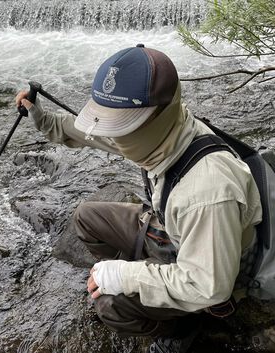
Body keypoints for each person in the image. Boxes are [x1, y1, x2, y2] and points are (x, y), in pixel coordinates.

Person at [16, 44, 262, 353]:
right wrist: (39, 116)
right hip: (172, 233)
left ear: (156, 117)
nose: (112, 136)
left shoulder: (208, 189)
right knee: (85, 218)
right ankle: (150, 282)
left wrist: (124, 277)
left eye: (119, 127)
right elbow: (80, 131)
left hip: (212, 272)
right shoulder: (154, 134)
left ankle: (180, 327)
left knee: (109, 305)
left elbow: (208, 286)